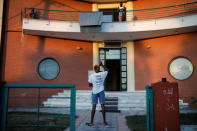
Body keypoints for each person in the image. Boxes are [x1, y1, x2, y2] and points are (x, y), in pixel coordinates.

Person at [86, 61, 109, 126]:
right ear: (99, 69)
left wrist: (94, 83)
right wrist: (102, 65)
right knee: (103, 106)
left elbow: (89, 84)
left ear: (94, 69)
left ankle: (91, 122)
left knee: (94, 106)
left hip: (94, 91)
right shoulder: (102, 74)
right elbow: (107, 70)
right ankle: (104, 122)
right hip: (101, 91)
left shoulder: (91, 76)